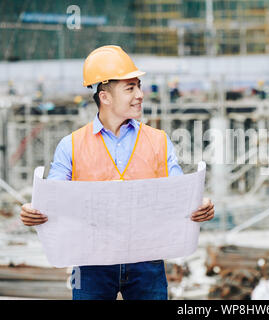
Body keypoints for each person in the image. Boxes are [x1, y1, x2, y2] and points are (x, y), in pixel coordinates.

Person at [19, 45, 215, 300]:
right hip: (91, 263)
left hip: (148, 260)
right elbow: (54, 199)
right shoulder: (71, 146)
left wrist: (200, 205)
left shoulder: (159, 141)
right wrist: (33, 211)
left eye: (139, 86)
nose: (140, 95)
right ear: (105, 97)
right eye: (130, 88)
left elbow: (178, 195)